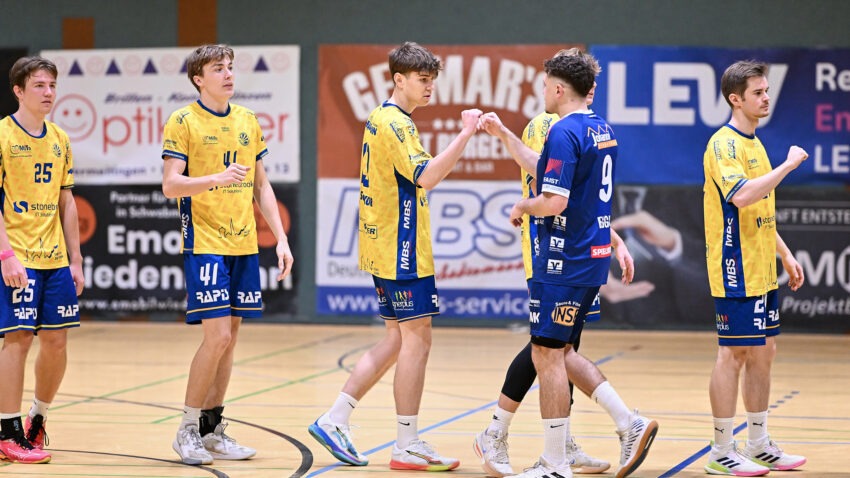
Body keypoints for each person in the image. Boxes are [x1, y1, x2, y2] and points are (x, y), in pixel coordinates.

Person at [474, 48, 650, 478]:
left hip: (563, 257)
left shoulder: (561, 130)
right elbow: (557, 175)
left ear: (556, 88)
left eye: (544, 85)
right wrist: (505, 136)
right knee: (559, 350)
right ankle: (620, 424)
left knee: (547, 353)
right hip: (590, 256)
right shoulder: (601, 129)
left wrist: (523, 204)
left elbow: (554, 200)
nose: (542, 92)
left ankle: (556, 460)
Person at [308, 41, 482, 472]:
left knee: (396, 340)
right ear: (399, 80)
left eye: (432, 80)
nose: (429, 87)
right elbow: (427, 176)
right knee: (417, 340)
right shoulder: (396, 124)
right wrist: (465, 133)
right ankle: (406, 443)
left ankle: (335, 419)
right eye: (422, 80)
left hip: (384, 244)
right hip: (400, 248)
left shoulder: (381, 117)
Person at [161, 44, 293, 466]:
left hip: (243, 244)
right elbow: (170, 185)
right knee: (216, 337)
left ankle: (211, 428)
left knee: (230, 339)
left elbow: (261, 186)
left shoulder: (247, 120)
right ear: (199, 78)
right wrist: (216, 178)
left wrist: (281, 238)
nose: (228, 73)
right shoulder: (183, 120)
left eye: (231, 67)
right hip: (205, 243)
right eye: (218, 68)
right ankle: (186, 429)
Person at [702, 60, 807, 476]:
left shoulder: (756, 145)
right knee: (733, 353)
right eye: (758, 93)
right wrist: (788, 166)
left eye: (766, 91)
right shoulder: (723, 145)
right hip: (735, 266)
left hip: (761, 266)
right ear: (736, 99)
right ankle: (720, 450)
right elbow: (742, 196)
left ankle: (759, 443)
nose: (766, 98)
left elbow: (760, 209)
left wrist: (785, 253)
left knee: (765, 350)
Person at [0, 56, 84, 464]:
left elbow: (67, 202)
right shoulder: (2, 135)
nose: (48, 92)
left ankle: (37, 418)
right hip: (17, 255)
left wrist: (76, 260)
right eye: (39, 85)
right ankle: (6, 431)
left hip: (55, 259)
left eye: (52, 85)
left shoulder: (60, 139)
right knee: (17, 339)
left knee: (56, 342)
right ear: (19, 90)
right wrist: (6, 255)